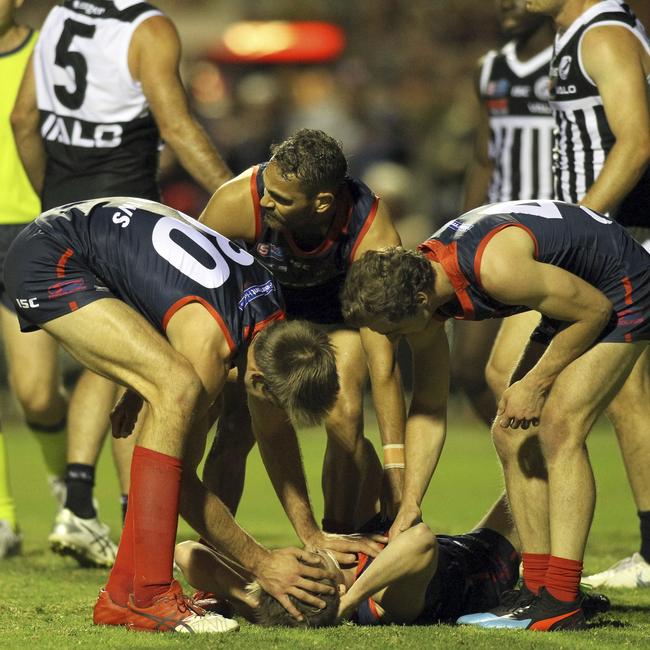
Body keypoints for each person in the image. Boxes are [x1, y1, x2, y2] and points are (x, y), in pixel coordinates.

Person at [3, 195, 360, 633]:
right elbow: (181, 484)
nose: (273, 417)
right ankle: (150, 597)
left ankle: (121, 597)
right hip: (50, 256)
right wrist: (262, 564)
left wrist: (311, 534)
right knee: (177, 388)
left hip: (84, 232)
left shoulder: (271, 316)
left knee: (169, 386)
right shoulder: (209, 349)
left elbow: (273, 436)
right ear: (259, 384)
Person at [341, 199, 650, 630]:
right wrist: (410, 501)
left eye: (393, 330)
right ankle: (535, 592)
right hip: (574, 296)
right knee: (510, 432)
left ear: (420, 300)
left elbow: (595, 311)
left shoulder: (495, 270)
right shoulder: (426, 292)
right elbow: (429, 408)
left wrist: (537, 383)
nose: (389, 340)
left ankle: (560, 600)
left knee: (560, 428)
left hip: (618, 286)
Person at [11, 0, 233, 566]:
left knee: (104, 367)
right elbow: (178, 128)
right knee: (152, 370)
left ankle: (80, 506)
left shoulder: (60, 16)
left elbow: (23, 120)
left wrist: (52, 203)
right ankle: (134, 517)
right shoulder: (148, 28)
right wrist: (239, 197)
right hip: (120, 218)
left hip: (60, 215)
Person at [198, 129, 405, 534]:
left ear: (322, 202)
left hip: (337, 317)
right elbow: (192, 290)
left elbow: (385, 362)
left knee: (345, 416)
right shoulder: (236, 202)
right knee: (236, 427)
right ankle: (216, 555)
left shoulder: (372, 232)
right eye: (267, 188)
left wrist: (396, 464)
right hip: (260, 312)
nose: (265, 200)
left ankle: (340, 541)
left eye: (282, 199)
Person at [523, 0, 650, 589]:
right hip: (604, 242)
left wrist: (582, 225)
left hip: (623, 241)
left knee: (625, 398)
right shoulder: (576, 34)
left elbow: (637, 142)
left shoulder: (604, 34)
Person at [174, 495, 610, 628]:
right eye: (308, 563)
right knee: (533, 463)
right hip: (488, 560)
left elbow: (187, 553)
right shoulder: (378, 602)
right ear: (328, 590)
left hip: (458, 545)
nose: (300, 555)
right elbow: (419, 540)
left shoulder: (274, 601)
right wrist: (349, 603)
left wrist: (254, 579)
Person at [454, 0, 555, 427]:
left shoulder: (574, 62)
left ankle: (542, 476)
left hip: (550, 238)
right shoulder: (490, 68)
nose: (508, 4)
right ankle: (529, 479)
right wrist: (462, 230)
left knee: (514, 375)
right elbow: (483, 159)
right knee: (470, 369)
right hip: (494, 233)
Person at [0, 0, 67, 559]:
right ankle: (3, 519)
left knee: (38, 395)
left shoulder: (45, 50)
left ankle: (66, 483)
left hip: (26, 231)